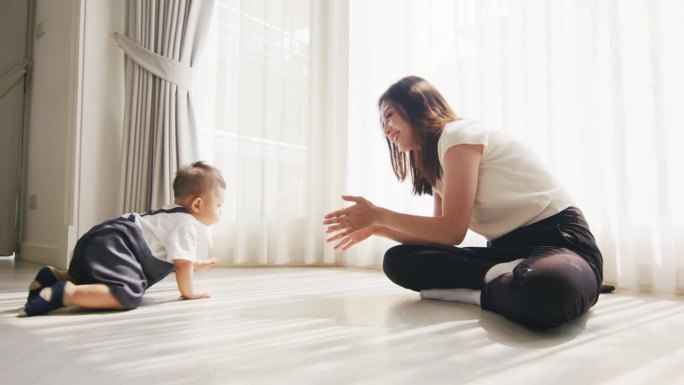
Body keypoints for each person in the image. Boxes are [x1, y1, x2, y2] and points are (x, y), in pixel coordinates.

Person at [324, 75, 610, 328]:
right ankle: (506, 278)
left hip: (560, 239)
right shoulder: (434, 163)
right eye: (382, 122)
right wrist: (378, 228)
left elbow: (452, 230)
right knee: (398, 260)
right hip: (505, 253)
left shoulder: (457, 135)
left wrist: (380, 215)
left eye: (389, 115)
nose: (385, 129)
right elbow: (442, 241)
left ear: (415, 106)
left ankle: (478, 293)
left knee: (547, 290)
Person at [19, 161, 225, 317]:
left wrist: (196, 264)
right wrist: (190, 292)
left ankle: (57, 277)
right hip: (118, 245)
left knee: (92, 277)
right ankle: (66, 293)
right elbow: (181, 265)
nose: (220, 210)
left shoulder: (170, 214)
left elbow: (176, 257)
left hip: (102, 238)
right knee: (127, 293)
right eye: (218, 205)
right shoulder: (186, 224)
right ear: (197, 204)